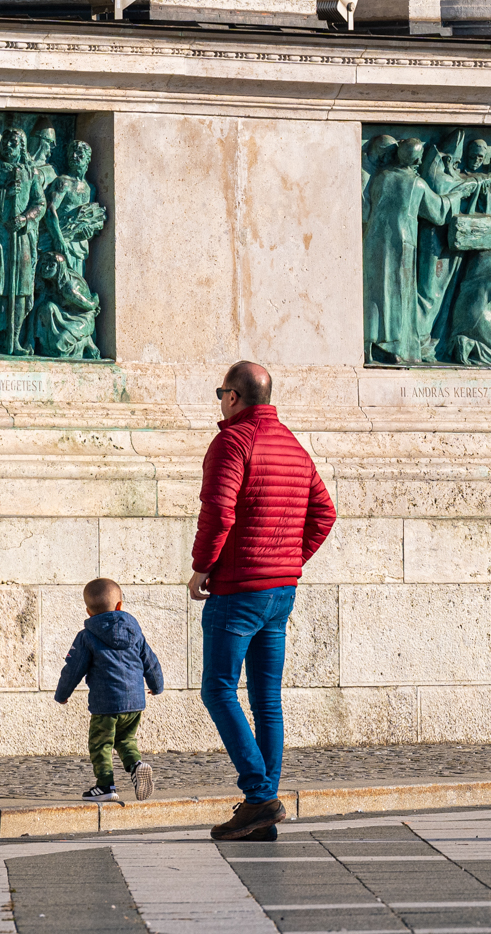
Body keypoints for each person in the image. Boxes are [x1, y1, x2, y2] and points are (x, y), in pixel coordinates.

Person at [191, 361, 337, 842]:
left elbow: (219, 509)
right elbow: (324, 512)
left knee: (217, 689)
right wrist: (290, 561)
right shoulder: (293, 445)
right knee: (266, 701)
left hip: (238, 592)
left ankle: (259, 795)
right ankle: (262, 811)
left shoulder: (233, 441)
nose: (219, 402)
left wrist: (202, 566)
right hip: (280, 593)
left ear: (233, 397)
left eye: (220, 393)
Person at [53, 578, 162, 804]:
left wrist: (62, 694)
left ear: (88, 611)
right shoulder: (136, 632)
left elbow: (73, 669)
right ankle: (136, 766)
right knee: (125, 739)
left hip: (105, 704)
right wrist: (156, 685)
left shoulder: (87, 636)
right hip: (135, 701)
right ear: (120, 605)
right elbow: (150, 661)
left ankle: (105, 785)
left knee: (101, 743)